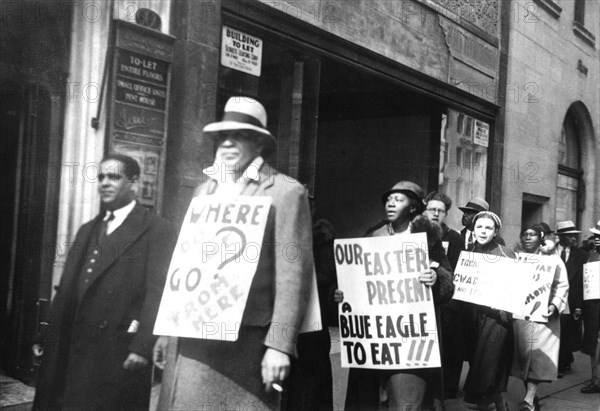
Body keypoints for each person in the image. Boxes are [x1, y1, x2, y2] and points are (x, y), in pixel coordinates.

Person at [154, 97, 314, 410]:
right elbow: (185, 266)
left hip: (247, 344)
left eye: (237, 135)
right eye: (220, 137)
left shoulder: (284, 191)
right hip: (192, 341)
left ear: (258, 142)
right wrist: (165, 331)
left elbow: (293, 276)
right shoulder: (205, 192)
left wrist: (279, 346)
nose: (226, 143)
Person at [32, 154, 177, 411]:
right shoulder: (88, 229)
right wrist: (46, 334)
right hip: (70, 344)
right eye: (101, 177)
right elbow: (66, 288)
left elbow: (159, 292)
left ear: (133, 182)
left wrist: (143, 347)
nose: (105, 183)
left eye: (114, 177)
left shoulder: (156, 229)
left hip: (116, 349)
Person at [337, 181, 454, 410]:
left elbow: (448, 279)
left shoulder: (428, 237)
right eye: (388, 200)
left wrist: (436, 277)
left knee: (407, 400)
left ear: (412, 208)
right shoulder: (373, 236)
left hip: (410, 337)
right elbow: (358, 281)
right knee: (372, 398)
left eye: (398, 200)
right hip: (375, 337)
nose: (390, 204)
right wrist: (345, 294)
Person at [511, 223, 569, 411]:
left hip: (544, 317)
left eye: (533, 235)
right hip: (521, 314)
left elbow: (562, 285)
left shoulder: (552, 259)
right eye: (525, 234)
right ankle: (531, 396)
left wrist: (555, 304)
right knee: (524, 357)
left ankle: (529, 398)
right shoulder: (515, 258)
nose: (528, 237)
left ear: (540, 238)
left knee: (538, 358)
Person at [462, 211, 515, 411]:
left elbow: (515, 286)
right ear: (473, 230)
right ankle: (497, 402)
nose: (483, 231)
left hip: (496, 317)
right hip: (473, 315)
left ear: (495, 232)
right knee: (478, 359)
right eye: (479, 227)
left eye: (488, 228)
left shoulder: (505, 253)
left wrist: (502, 300)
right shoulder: (469, 253)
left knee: (490, 360)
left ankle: (486, 402)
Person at [423, 191, 465, 402]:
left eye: (440, 211)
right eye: (432, 209)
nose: (436, 214)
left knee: (446, 347)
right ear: (425, 209)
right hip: (419, 300)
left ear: (446, 214)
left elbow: (456, 269)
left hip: (446, 301)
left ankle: (445, 390)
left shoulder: (454, 238)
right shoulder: (416, 232)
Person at [554, 220, 587, 376]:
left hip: (571, 300)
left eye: (574, 236)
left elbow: (582, 282)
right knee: (554, 331)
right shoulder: (549, 251)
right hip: (552, 299)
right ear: (560, 236)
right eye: (570, 236)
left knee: (566, 332)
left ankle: (563, 362)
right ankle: (558, 361)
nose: (574, 239)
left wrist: (579, 305)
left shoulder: (581, 255)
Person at [581, 220, 600, 394]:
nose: (598, 239)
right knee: (594, 345)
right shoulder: (590, 255)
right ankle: (596, 380)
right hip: (593, 308)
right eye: (596, 236)